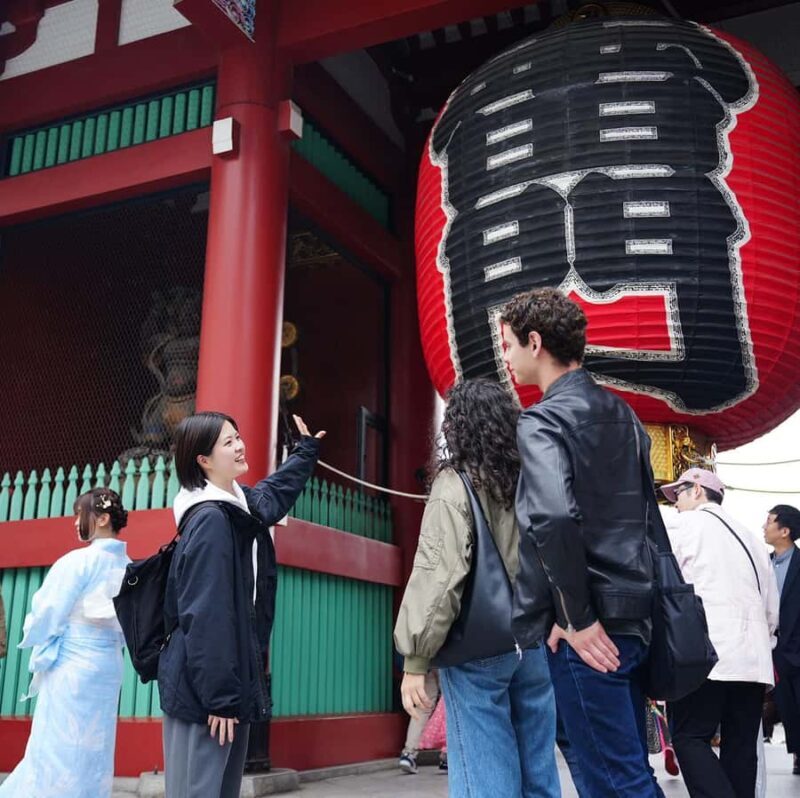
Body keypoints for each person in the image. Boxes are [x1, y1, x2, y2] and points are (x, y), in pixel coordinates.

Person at [499, 287, 663, 798]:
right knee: (627, 772)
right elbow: (646, 521)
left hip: (590, 629)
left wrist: (574, 615)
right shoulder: (625, 417)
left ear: (534, 342)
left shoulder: (542, 418)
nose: (504, 357)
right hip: (635, 615)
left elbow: (550, 516)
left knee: (615, 783)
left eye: (507, 345)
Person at [394, 379, 559, 798]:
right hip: (533, 642)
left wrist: (415, 658)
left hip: (481, 648)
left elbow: (440, 573)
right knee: (537, 770)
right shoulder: (530, 478)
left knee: (484, 775)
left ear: (457, 427)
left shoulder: (456, 483)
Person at [158, 411, 323, 798]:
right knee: (202, 790)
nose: (240, 445)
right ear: (203, 460)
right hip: (209, 689)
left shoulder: (236, 504)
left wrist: (304, 453)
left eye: (238, 436)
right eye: (228, 442)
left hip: (223, 680)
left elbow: (271, 495)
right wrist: (219, 698)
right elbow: (206, 615)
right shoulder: (212, 521)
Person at [0, 489, 131, 798]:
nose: (75, 522)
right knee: (95, 746)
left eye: (80, 514)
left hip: (72, 663)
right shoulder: (127, 565)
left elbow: (47, 612)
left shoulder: (78, 562)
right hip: (108, 664)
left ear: (101, 518)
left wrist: (37, 634)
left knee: (58, 743)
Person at [660, 468, 779, 798]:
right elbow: (772, 610)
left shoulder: (684, 525)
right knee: (740, 747)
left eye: (678, 495)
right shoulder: (753, 540)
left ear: (697, 490)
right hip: (753, 660)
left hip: (705, 653)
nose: (675, 504)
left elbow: (665, 582)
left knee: (689, 737)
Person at [764, 504, 800, 775]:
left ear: (785, 531)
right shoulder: (762, 563)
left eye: (769, 522)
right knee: (786, 705)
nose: (764, 526)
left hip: (796, 648)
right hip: (770, 649)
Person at [397, 669, 440, 774]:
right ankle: (447, 754)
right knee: (452, 704)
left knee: (423, 707)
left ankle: (409, 753)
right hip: (450, 662)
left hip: (424, 663)